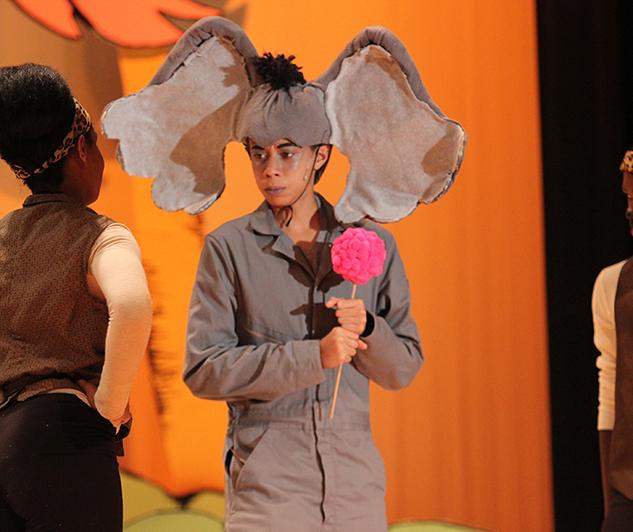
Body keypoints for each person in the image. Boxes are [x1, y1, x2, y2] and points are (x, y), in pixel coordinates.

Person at [101, 17, 464, 532]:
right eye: (258, 153)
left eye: (287, 154)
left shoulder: (372, 244)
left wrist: (367, 331)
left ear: (320, 156)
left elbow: (403, 368)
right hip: (267, 496)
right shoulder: (227, 248)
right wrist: (311, 356)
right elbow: (204, 370)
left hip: (354, 492)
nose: (270, 168)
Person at [0, 64, 152, 531]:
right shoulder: (101, 236)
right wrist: (107, 410)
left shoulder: (3, 236)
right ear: (83, 147)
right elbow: (130, 306)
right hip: (62, 438)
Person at [593, 148, 633, 530]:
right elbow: (610, 387)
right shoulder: (612, 284)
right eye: (627, 196)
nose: (630, 209)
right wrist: (612, 502)